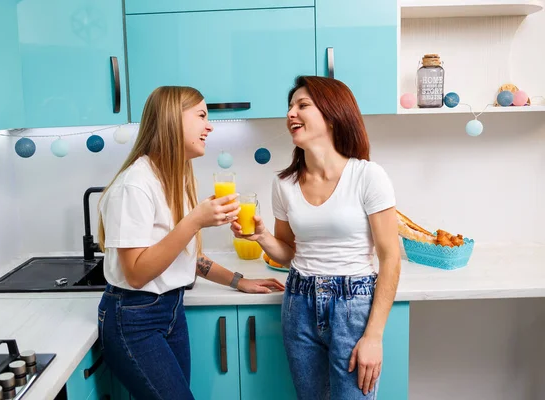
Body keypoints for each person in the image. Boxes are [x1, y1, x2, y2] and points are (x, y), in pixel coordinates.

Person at [96, 86, 285, 400]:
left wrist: (239, 281)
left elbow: (182, 255)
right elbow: (136, 274)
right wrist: (194, 221)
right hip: (133, 318)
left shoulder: (173, 178)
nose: (209, 126)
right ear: (172, 120)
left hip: (171, 312)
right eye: (201, 115)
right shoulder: (134, 186)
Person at [232, 76, 401, 399]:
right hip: (299, 302)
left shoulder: (367, 176)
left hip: (354, 304)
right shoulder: (284, 184)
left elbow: (390, 257)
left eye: (302, 105)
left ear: (333, 114)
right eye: (290, 107)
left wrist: (373, 336)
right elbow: (288, 253)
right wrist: (262, 236)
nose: (291, 114)